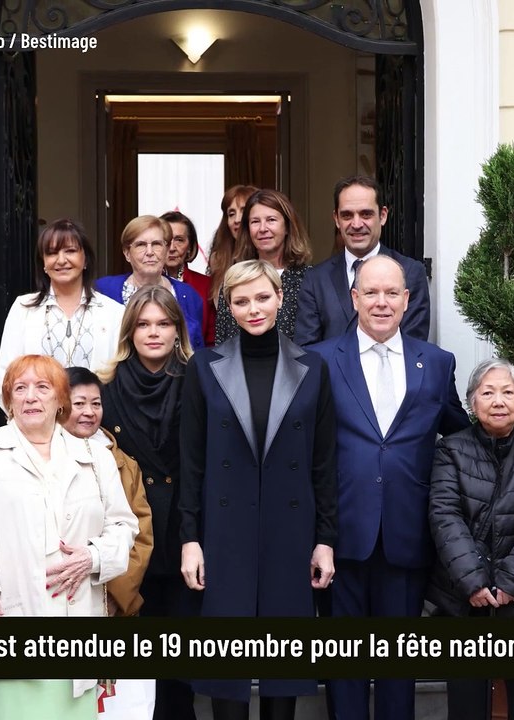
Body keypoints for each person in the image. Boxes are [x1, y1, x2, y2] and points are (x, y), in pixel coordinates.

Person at [308, 254, 469, 720]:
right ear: (354, 298)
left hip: (407, 531)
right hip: (340, 534)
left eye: (392, 293)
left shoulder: (436, 362)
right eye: (371, 293)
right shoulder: (318, 360)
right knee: (344, 662)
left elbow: (458, 433)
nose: (382, 302)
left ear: (407, 299)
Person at [179, 260, 338, 720]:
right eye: (242, 300)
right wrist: (190, 538)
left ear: (280, 298)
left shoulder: (313, 367)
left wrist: (325, 540)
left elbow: (323, 463)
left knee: (282, 669)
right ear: (227, 306)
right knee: (226, 674)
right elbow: (192, 463)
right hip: (225, 530)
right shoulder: (205, 367)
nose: (254, 309)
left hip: (289, 530)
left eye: (262, 297)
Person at [0, 355, 138, 720]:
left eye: (42, 387)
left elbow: (123, 526)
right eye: (20, 388)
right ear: (8, 400)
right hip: (8, 618)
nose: (31, 397)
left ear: (60, 400)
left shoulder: (93, 456)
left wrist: (93, 556)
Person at [429, 358, 514, 720]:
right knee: (466, 702)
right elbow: (445, 516)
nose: (498, 401)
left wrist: (510, 580)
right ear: (472, 402)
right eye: (487, 392)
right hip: (463, 598)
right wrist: (474, 581)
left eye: (508, 392)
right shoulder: (450, 449)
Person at [98, 286, 197, 720]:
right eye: (143, 324)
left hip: (184, 530)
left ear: (178, 330)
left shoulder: (202, 380)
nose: (153, 332)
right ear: (129, 331)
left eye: (163, 323)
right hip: (129, 535)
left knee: (180, 665)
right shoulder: (105, 387)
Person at [63, 365, 158, 719]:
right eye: (78, 403)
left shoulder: (123, 463)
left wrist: (116, 595)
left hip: (114, 601)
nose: (88, 412)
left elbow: (140, 534)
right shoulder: (38, 456)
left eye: (95, 403)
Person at [0, 219, 127, 407]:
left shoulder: (113, 312)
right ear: (43, 263)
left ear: (86, 259)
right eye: (52, 253)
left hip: (94, 423)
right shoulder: (23, 308)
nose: (61, 260)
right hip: (36, 423)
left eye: (70, 251)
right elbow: (6, 375)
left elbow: (119, 380)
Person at [295, 176, 431, 346]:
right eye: (347, 215)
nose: (357, 224)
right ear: (336, 219)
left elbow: (413, 346)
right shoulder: (316, 279)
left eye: (366, 214)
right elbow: (308, 352)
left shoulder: (411, 273)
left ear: (382, 216)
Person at [213, 189, 312, 345]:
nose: (263, 229)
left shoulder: (310, 279)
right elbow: (221, 341)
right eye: (255, 222)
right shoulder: (235, 279)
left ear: (287, 227)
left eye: (271, 220)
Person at [97, 215, 205, 349]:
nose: (150, 252)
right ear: (126, 253)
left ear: (166, 251)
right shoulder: (103, 290)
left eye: (156, 244)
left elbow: (197, 352)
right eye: (140, 245)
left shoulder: (189, 295)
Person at [162, 210, 216, 347]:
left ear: (190, 247)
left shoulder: (207, 285)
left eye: (179, 240)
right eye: (166, 240)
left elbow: (212, 341)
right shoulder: (144, 283)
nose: (172, 248)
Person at [206, 184, 258, 311]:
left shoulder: (267, 257)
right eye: (231, 213)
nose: (237, 219)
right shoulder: (218, 259)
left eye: (244, 211)